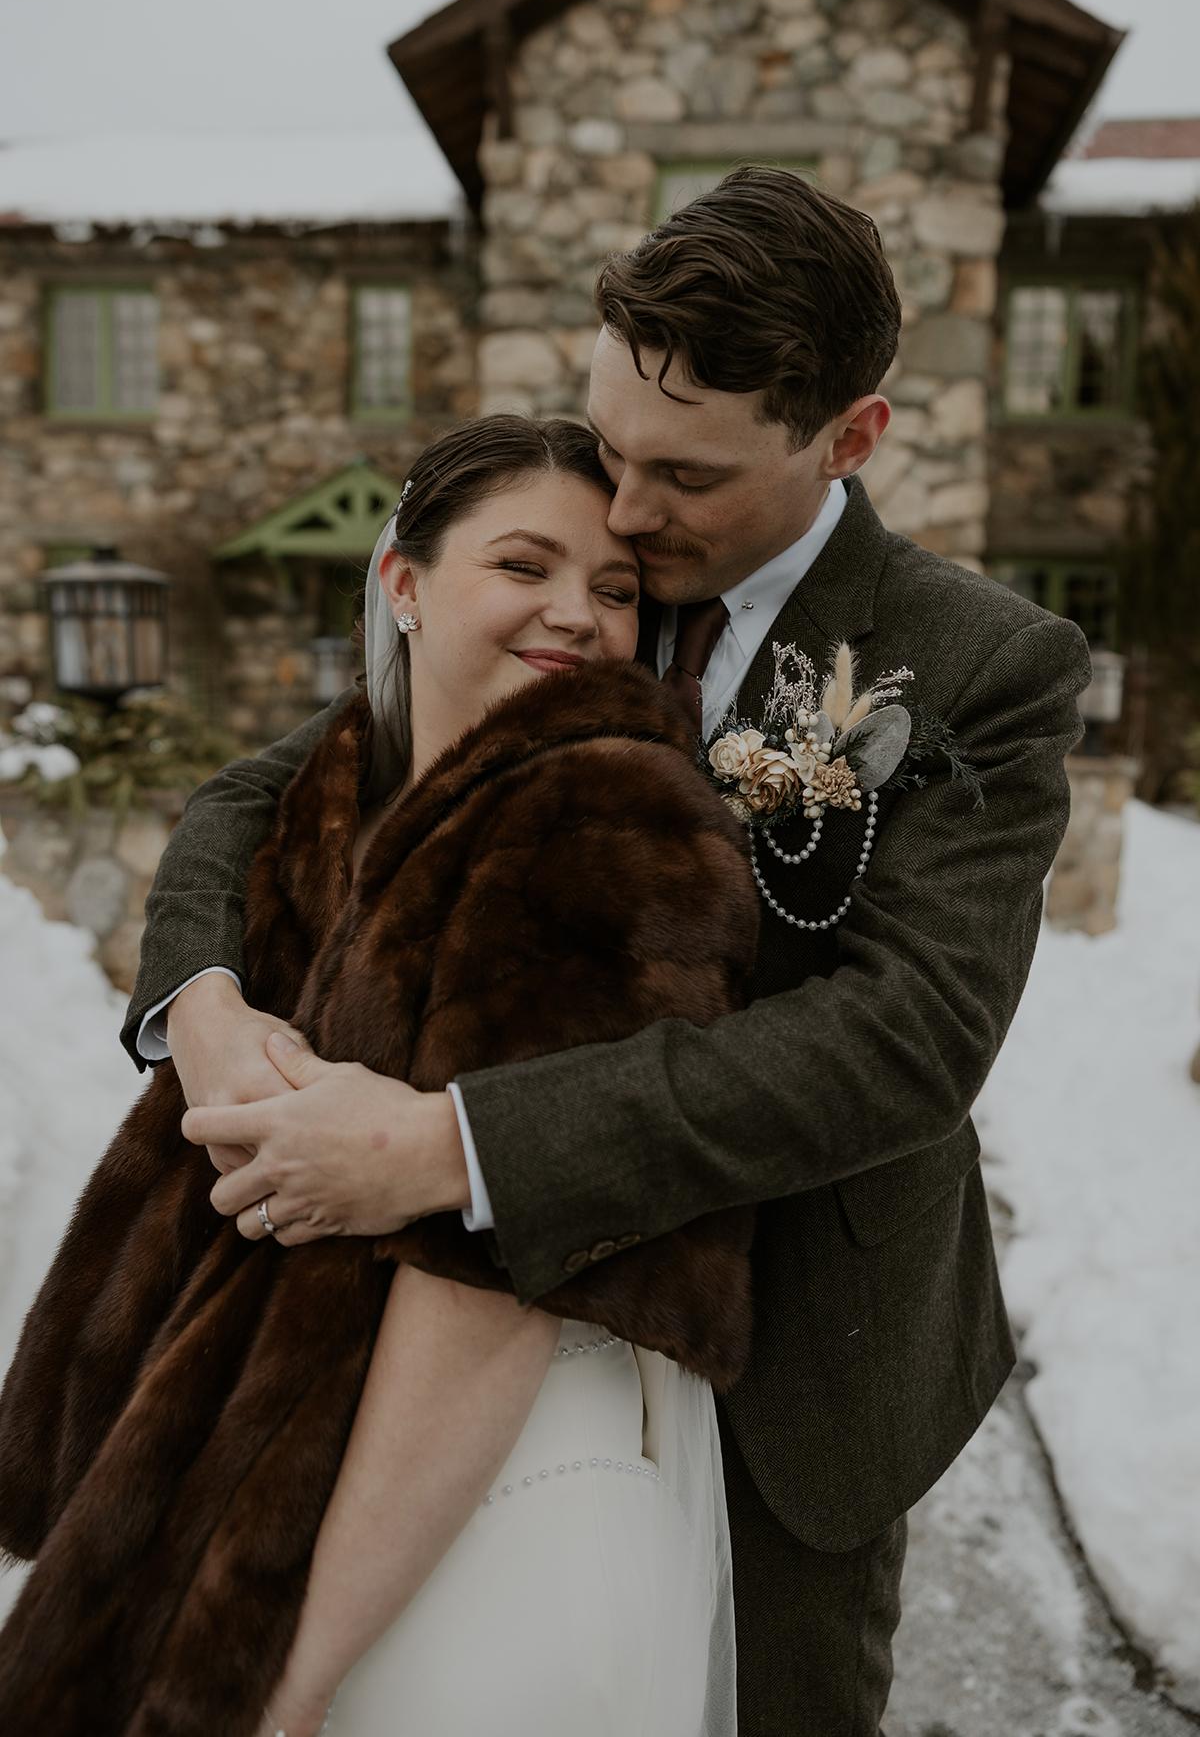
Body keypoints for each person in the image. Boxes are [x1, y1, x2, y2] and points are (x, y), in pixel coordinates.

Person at [123, 166, 1090, 1735]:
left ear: (851, 437)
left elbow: (904, 1039)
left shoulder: (983, 662)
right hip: (466, 1320)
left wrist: (454, 1145)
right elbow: (268, 787)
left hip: (793, 1357)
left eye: (686, 479)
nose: (626, 513)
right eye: (615, 448)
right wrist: (203, 1001)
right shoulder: (583, 569)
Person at [0, 418, 759, 1737]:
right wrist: (206, 1006)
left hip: (488, 1497)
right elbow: (230, 809)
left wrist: (276, 1677)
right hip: (293, 1432)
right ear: (402, 584)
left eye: (618, 589)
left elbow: (496, 1285)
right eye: (524, 566)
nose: (577, 615)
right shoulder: (350, 787)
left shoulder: (603, 818)